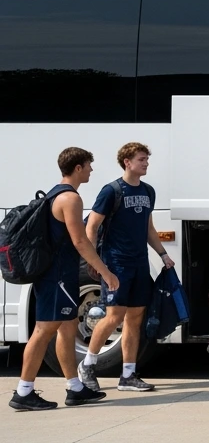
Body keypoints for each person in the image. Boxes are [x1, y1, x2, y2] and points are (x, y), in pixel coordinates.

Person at [10, 148, 115, 411]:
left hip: (59, 275)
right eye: (89, 165)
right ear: (77, 168)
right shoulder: (70, 198)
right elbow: (80, 241)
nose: (91, 170)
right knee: (43, 330)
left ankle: (75, 388)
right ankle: (24, 392)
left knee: (67, 329)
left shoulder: (57, 193)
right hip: (57, 276)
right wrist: (104, 271)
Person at [79, 142, 175, 394]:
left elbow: (148, 229)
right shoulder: (111, 191)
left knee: (135, 319)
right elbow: (92, 226)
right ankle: (87, 365)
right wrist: (94, 261)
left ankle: (128, 375)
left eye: (146, 159)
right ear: (127, 162)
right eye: (141, 159)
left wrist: (163, 254)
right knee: (114, 316)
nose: (146, 163)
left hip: (139, 263)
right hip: (116, 264)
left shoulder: (148, 191)